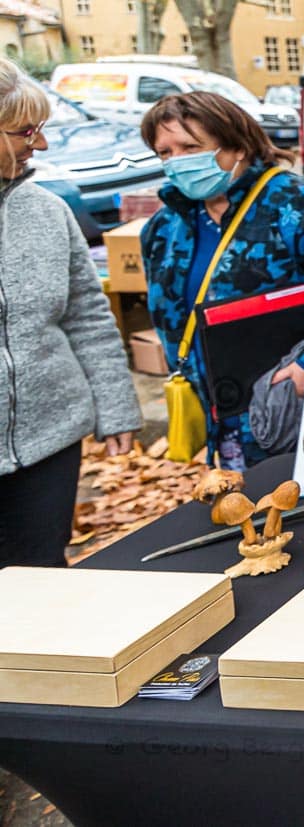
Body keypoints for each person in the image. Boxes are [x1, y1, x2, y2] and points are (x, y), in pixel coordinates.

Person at [140, 92, 304, 470]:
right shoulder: (163, 229)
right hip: (228, 419)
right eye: (165, 152)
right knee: (253, 506)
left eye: (190, 147)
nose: (177, 161)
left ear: (238, 147)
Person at [0, 57, 142, 566]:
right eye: (25, 131)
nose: (40, 144)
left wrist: (115, 405)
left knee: (42, 579)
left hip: (49, 442)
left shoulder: (48, 212)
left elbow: (87, 316)